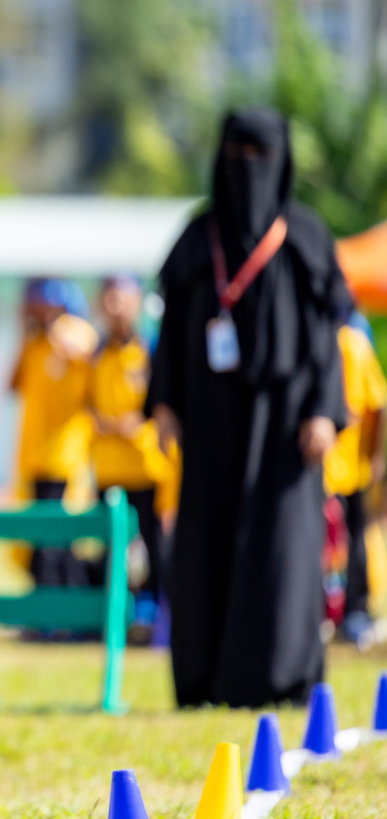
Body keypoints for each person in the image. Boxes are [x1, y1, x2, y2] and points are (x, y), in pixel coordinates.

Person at [146, 108, 350, 709]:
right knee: (204, 548)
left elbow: (326, 340)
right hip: (210, 427)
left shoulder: (306, 238)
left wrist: (323, 411)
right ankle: (205, 679)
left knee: (282, 552)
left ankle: (280, 679)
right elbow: (175, 327)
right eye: (238, 156)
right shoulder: (197, 238)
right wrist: (163, 404)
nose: (248, 171)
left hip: (289, 430)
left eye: (261, 157)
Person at [87, 273, 171, 638]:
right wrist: (103, 422)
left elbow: (162, 403)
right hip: (108, 468)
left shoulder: (151, 348)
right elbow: (87, 403)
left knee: (153, 547)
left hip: (145, 465)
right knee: (110, 548)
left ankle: (152, 616)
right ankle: (112, 615)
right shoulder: (97, 353)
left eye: (122, 298)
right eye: (109, 299)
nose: (115, 307)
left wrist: (136, 423)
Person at [11, 278, 97, 590]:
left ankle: (64, 615)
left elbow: (82, 351)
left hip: (65, 456)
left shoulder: (75, 333)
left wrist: (57, 329)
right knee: (37, 541)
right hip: (35, 456)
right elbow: (12, 383)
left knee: (59, 540)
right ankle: (42, 615)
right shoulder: (34, 344)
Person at [323, 306, 385, 649]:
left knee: (352, 541)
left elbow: (377, 405)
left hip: (346, 467)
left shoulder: (353, 344)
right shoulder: (349, 342)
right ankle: (338, 611)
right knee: (337, 543)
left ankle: (354, 610)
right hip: (334, 467)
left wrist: (375, 458)